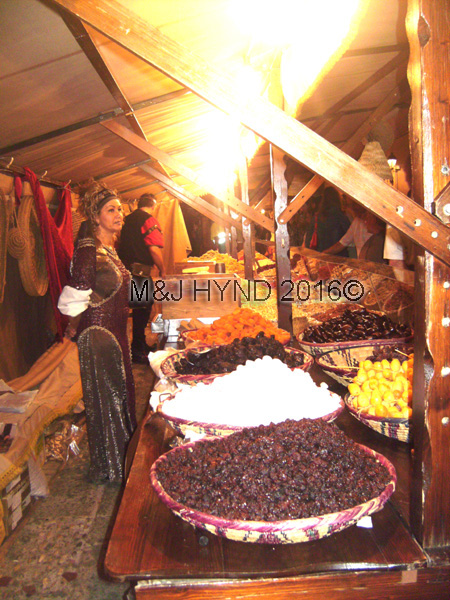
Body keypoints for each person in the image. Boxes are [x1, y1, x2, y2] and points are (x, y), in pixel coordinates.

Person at [57, 182, 136, 484]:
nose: (119, 215)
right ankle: (114, 467)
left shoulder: (109, 249)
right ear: (95, 215)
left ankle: (124, 460)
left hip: (116, 333)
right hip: (100, 335)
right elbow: (78, 294)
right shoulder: (88, 250)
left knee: (121, 394)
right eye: (111, 210)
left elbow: (125, 292)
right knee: (109, 399)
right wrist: (74, 327)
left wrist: (169, 293)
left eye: (120, 210)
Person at [118, 193, 165, 363]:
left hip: (124, 271)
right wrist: (163, 269)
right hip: (139, 274)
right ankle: (137, 351)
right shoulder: (148, 220)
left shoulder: (126, 220)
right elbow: (153, 249)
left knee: (138, 310)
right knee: (141, 312)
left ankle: (141, 345)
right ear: (154, 205)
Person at [303, 187, 350, 256]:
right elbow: (350, 239)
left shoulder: (316, 218)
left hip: (320, 258)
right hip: (339, 259)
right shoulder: (342, 217)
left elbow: (308, 242)